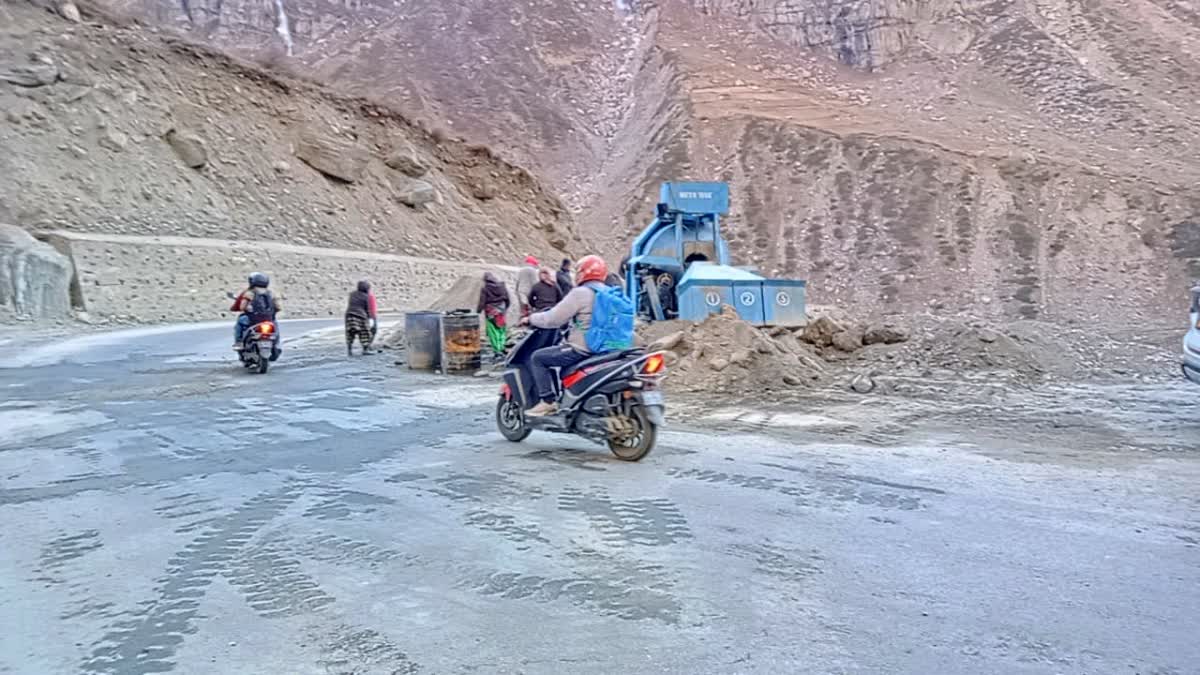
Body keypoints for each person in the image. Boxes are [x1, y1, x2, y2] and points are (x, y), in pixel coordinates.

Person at [520, 254, 608, 417]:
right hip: (611, 349)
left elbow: (553, 319)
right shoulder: (612, 293)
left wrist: (530, 318)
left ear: (582, 273)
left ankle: (547, 402)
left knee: (538, 358)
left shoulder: (581, 293)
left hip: (584, 348)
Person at [230, 272, 280, 349]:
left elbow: (242, 307)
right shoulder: (271, 294)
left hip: (253, 320)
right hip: (268, 319)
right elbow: (278, 307)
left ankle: (239, 342)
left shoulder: (250, 293)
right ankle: (276, 344)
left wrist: (249, 309)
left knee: (240, 321)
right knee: (275, 325)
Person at [477, 272, 511, 359]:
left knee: (493, 331)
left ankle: (497, 350)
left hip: (490, 312)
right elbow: (507, 299)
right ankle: (502, 347)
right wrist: (505, 308)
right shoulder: (502, 286)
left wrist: (478, 311)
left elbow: (482, 301)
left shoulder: (485, 288)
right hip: (501, 311)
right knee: (501, 330)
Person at [344, 280, 377, 356]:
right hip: (361, 316)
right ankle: (365, 349)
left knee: (350, 332)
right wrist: (371, 318)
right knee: (364, 333)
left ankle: (349, 349)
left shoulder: (352, 294)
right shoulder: (366, 297)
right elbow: (368, 308)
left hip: (349, 315)